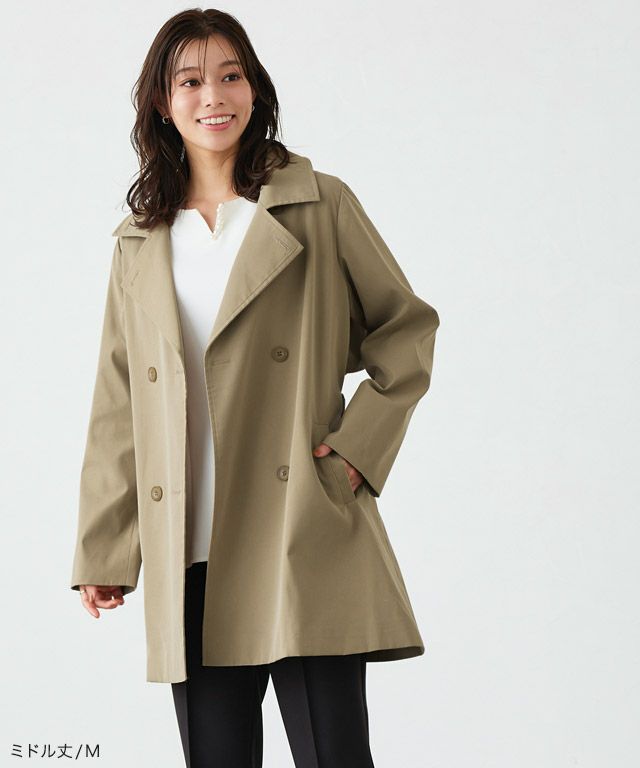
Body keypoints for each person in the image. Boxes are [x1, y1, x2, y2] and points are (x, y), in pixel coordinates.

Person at [70, 8, 440, 768]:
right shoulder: (141, 241)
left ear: (254, 88)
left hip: (299, 530)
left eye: (230, 75)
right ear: (162, 102)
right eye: (190, 80)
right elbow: (119, 400)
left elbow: (405, 329)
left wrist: (354, 455)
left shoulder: (319, 204)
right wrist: (105, 547)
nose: (214, 96)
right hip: (190, 546)